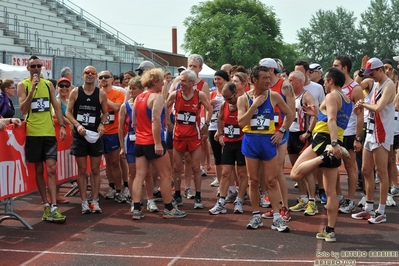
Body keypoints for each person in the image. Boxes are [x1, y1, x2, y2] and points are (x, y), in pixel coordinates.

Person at [291, 67, 352, 242]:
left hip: (325, 142)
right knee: (331, 192)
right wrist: (317, 114)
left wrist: (331, 145)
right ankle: (330, 230)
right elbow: (333, 119)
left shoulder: (332, 96)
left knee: (295, 174)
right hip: (336, 142)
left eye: (325, 81)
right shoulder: (347, 99)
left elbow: (332, 119)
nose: (324, 84)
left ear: (331, 80)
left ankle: (323, 157)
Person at [237, 65, 294, 231]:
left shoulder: (274, 96)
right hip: (251, 141)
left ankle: (277, 217)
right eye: (265, 78)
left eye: (269, 78)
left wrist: (281, 132)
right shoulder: (243, 99)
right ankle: (256, 215)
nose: (269, 81)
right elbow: (241, 123)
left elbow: (290, 114)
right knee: (253, 181)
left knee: (271, 180)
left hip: (267, 141)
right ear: (254, 80)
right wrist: (254, 105)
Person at [17, 55, 67, 223]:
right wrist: (31, 90)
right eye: (33, 66)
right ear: (28, 68)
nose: (37, 69)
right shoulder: (22, 86)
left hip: (49, 133)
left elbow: (56, 105)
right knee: (39, 170)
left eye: (39, 66)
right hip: (33, 134)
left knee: (51, 169)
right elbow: (23, 110)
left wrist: (62, 125)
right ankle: (45, 205)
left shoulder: (48, 85)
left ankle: (54, 206)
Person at [131, 68, 186, 219]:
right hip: (152, 141)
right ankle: (169, 208)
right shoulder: (156, 97)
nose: (163, 83)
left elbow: (134, 123)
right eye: (161, 81)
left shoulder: (138, 97)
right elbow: (155, 120)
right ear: (155, 82)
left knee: (139, 175)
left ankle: (136, 208)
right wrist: (157, 143)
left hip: (140, 142)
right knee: (166, 175)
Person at [351, 57, 396, 224]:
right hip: (370, 133)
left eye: (373, 73)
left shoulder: (389, 85)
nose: (371, 77)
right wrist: (362, 104)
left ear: (380, 70)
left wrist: (363, 105)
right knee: (365, 169)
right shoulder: (374, 84)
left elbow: (378, 107)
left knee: (381, 172)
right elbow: (356, 85)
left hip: (382, 133)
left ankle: (381, 210)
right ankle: (369, 207)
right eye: (368, 74)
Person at [166, 69, 212, 209]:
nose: (181, 83)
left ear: (192, 82)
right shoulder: (175, 94)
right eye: (180, 80)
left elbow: (209, 108)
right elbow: (165, 106)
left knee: (195, 167)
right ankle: (178, 195)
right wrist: (168, 122)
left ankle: (198, 196)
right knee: (177, 167)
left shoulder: (199, 95)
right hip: (179, 135)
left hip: (194, 136)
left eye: (184, 81)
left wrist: (207, 124)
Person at [66, 66, 108, 214]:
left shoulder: (101, 94)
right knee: (82, 170)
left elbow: (105, 113)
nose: (90, 75)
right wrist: (77, 125)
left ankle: (95, 201)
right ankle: (84, 201)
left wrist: (102, 124)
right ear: (82, 75)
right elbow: (68, 112)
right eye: (87, 73)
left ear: (96, 76)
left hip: (95, 135)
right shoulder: (76, 92)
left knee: (96, 170)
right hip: (81, 135)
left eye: (93, 73)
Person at [257, 58, 295, 220]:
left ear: (271, 70)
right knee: (268, 173)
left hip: (280, 132)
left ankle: (285, 207)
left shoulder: (285, 86)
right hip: (264, 133)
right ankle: (276, 207)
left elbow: (291, 113)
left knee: (278, 171)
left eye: (263, 70)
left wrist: (281, 131)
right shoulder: (261, 86)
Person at [209, 81, 248, 214]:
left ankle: (240, 200)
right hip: (228, 142)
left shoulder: (243, 104)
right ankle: (221, 202)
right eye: (225, 98)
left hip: (241, 142)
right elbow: (220, 119)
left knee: (242, 173)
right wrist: (220, 134)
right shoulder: (224, 105)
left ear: (236, 93)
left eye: (230, 98)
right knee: (225, 173)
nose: (228, 101)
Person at [331, 56, 364, 214]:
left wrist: (358, 138)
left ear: (344, 68)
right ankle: (338, 197)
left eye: (336, 65)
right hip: (335, 133)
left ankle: (351, 199)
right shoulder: (334, 87)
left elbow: (360, 115)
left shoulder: (355, 88)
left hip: (349, 133)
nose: (333, 67)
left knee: (350, 167)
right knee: (333, 166)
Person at [98, 70, 126, 203]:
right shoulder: (94, 94)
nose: (103, 79)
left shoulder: (118, 93)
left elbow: (116, 107)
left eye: (106, 77)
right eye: (101, 77)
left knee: (115, 162)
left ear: (111, 80)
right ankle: (112, 187)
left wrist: (104, 97)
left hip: (114, 132)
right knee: (107, 162)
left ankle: (120, 189)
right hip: (101, 132)